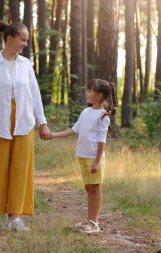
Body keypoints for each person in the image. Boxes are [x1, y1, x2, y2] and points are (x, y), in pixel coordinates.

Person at [0, 20, 52, 231]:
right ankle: (6, 214)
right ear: (9, 39)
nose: (24, 44)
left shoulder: (26, 64)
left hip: (24, 121)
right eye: (22, 40)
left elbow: (35, 95)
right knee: (3, 168)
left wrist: (43, 123)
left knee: (21, 169)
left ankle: (16, 217)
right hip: (0, 121)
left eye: (26, 41)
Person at [50, 79, 116, 234]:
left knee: (95, 188)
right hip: (82, 156)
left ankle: (94, 223)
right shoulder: (86, 112)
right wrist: (52, 135)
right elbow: (74, 130)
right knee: (88, 188)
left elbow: (102, 140)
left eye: (89, 90)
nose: (86, 93)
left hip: (94, 158)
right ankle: (89, 221)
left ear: (98, 95)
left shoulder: (103, 116)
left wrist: (97, 162)